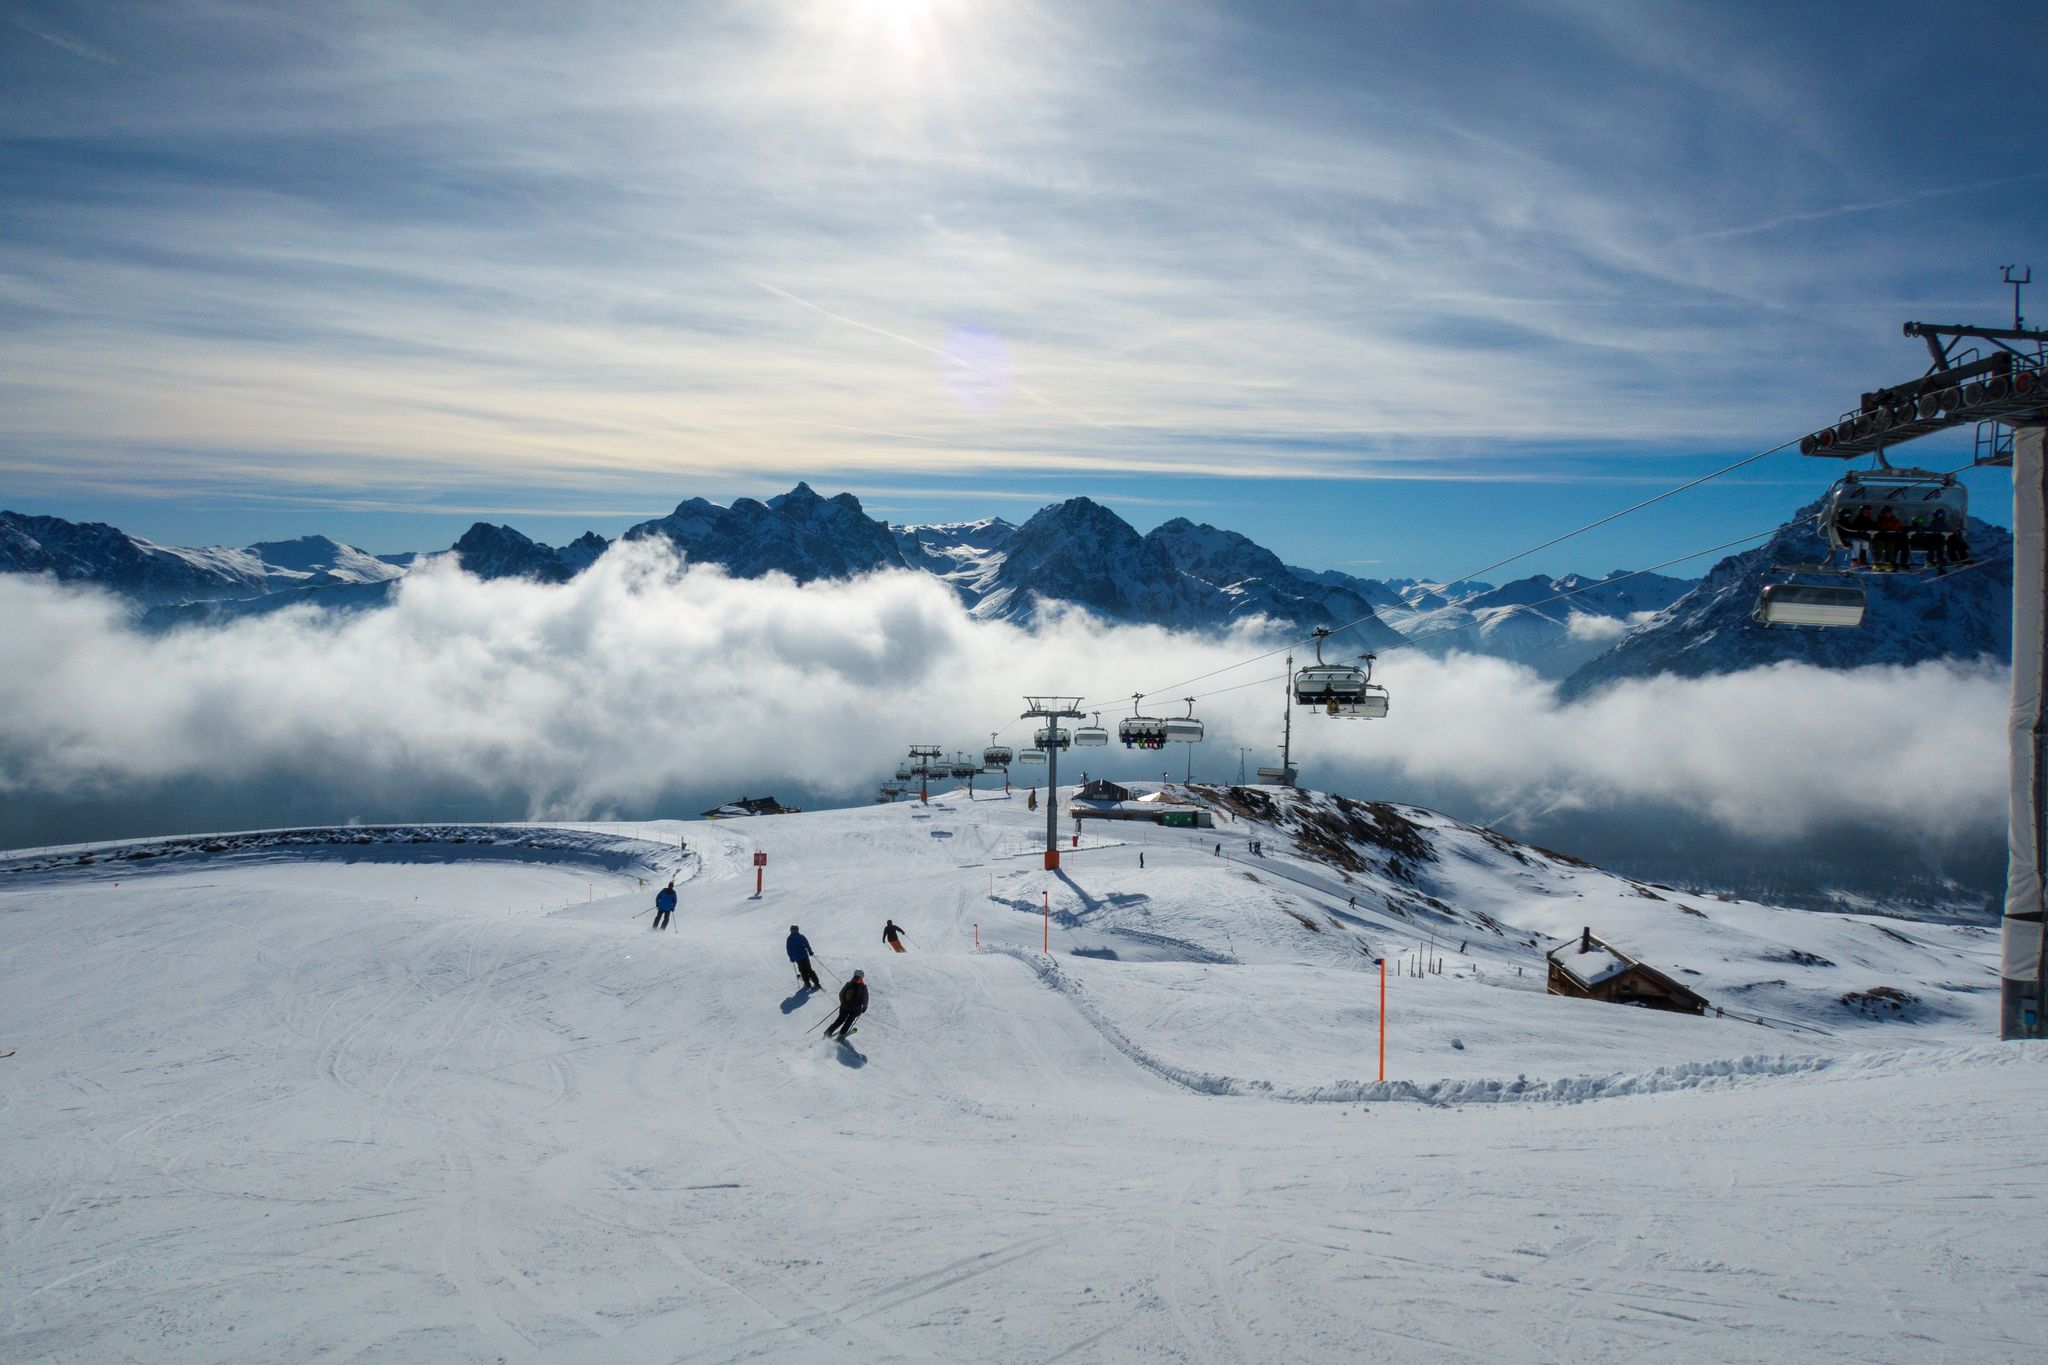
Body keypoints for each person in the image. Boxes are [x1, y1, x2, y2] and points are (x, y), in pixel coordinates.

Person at [825, 970, 867, 1040]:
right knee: (849, 1021)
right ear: (862, 977)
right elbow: (865, 999)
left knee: (840, 1019)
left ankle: (828, 1032)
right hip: (855, 1009)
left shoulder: (849, 984)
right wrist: (864, 1008)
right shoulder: (863, 987)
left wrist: (843, 1002)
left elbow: (841, 994)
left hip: (844, 1006)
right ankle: (841, 1034)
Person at [787, 924, 821, 990]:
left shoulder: (789, 939)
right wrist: (810, 951)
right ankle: (816, 982)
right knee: (809, 969)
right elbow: (806, 944)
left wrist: (791, 957)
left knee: (802, 970)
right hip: (804, 955)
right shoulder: (801, 936)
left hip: (797, 958)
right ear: (797, 929)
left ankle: (807, 983)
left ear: (791, 930)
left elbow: (789, 949)